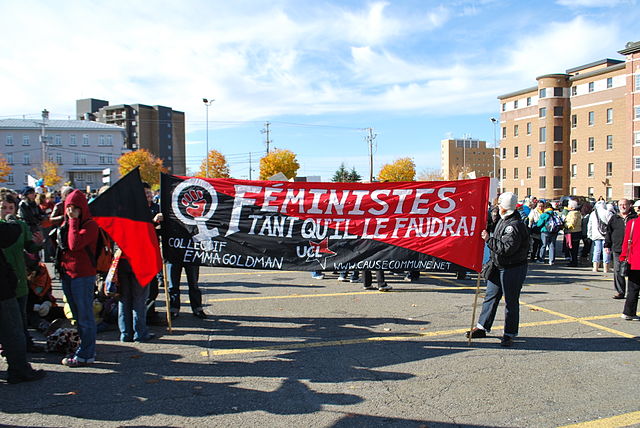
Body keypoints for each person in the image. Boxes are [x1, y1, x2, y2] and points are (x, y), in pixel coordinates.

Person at [467, 192, 529, 347]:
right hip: (499, 266)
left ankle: (509, 333)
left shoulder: (513, 226)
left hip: (512, 268)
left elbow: (506, 249)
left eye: (499, 204)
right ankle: (482, 326)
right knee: (490, 296)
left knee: (510, 302)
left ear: (504, 207)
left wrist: (489, 239)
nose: (497, 206)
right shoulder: (505, 220)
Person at [0, 221, 46, 384]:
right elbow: (9, 233)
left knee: (14, 327)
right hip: (3, 291)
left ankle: (19, 368)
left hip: (12, 284)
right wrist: (18, 223)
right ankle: (19, 370)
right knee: (13, 330)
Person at [58, 189, 99, 367]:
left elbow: (74, 245)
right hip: (68, 274)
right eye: (69, 207)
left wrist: (73, 220)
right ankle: (84, 348)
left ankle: (87, 353)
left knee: (85, 317)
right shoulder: (65, 223)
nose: (71, 211)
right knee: (77, 316)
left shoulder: (90, 225)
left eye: (75, 208)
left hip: (82, 276)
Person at [1, 194, 44, 352]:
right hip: (4, 278)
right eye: (3, 208)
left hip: (20, 274)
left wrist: (38, 244)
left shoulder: (20, 225)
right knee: (7, 317)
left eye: (10, 208)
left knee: (21, 314)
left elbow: (29, 247)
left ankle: (25, 343)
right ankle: (9, 347)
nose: (7, 211)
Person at [117, 253, 154, 342]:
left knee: (124, 299)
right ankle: (140, 333)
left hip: (122, 259)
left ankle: (125, 333)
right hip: (140, 259)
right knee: (139, 299)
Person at [605, 199, 637, 299]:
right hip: (618, 248)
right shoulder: (614, 218)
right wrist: (607, 245)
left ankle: (634, 291)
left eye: (625, 205)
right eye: (620, 205)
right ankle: (620, 291)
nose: (622, 207)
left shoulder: (634, 218)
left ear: (629, 205)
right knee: (618, 271)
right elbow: (608, 232)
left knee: (634, 271)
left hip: (632, 249)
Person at [619, 214, 640, 320]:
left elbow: (626, 242)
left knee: (633, 289)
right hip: (635, 260)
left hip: (634, 261)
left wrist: (623, 257)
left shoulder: (632, 223)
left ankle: (628, 312)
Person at [588, 201, 612, 273]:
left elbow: (590, 225)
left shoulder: (593, 214)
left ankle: (595, 267)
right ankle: (606, 268)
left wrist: (589, 234)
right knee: (606, 251)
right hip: (606, 235)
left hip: (596, 234)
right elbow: (611, 225)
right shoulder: (608, 213)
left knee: (596, 251)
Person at [564, 200, 583, 267]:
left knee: (572, 248)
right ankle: (573, 261)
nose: (568, 206)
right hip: (577, 232)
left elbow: (572, 223)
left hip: (573, 232)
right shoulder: (578, 213)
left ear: (572, 207)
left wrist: (565, 225)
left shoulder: (573, 213)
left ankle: (574, 262)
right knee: (574, 248)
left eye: (569, 205)